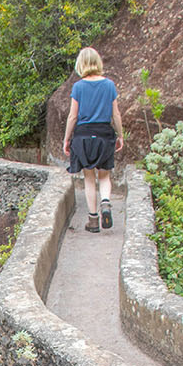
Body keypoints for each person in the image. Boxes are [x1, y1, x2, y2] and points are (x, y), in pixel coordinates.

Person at [61, 47, 124, 233]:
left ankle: (93, 220)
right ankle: (106, 203)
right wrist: (120, 135)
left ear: (81, 64)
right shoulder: (109, 85)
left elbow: (72, 117)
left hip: (83, 135)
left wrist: (66, 139)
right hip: (104, 133)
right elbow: (116, 114)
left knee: (89, 177)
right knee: (104, 175)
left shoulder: (78, 87)